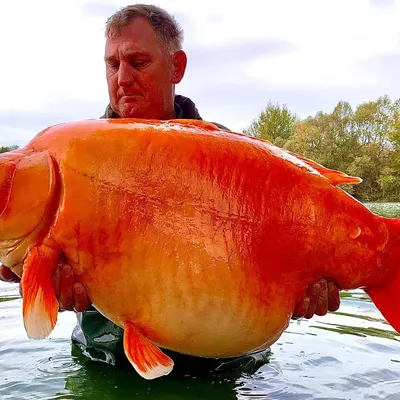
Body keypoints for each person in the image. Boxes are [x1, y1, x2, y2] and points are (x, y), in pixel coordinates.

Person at [0, 4, 340, 372]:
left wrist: (309, 290)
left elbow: (287, 257)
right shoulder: (72, 157)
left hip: (222, 369)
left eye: (138, 62)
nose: (123, 78)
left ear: (176, 66)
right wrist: (35, 278)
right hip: (106, 361)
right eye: (113, 65)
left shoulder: (236, 158)